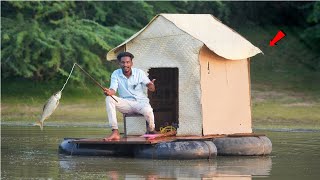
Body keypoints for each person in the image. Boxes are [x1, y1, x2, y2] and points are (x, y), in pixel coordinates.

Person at [103, 52, 156, 141]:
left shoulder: (139, 73)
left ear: (131, 63)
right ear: (119, 63)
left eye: (127, 62)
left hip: (141, 103)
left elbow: (151, 88)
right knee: (109, 98)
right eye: (123, 62)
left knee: (148, 111)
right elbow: (113, 90)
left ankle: (151, 130)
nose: (125, 65)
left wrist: (151, 85)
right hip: (126, 103)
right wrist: (109, 92)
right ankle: (115, 131)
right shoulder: (115, 74)